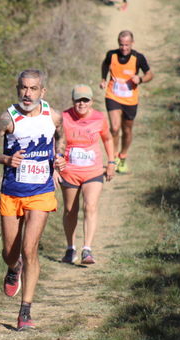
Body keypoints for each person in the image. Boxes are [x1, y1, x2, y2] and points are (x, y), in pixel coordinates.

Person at [0, 69, 66, 331]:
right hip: (11, 191)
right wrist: (7, 159)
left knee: (30, 249)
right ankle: (13, 267)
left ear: (43, 91)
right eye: (23, 88)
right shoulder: (8, 118)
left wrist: (58, 158)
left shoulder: (53, 116)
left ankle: (25, 312)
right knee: (10, 252)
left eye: (33, 88)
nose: (27, 93)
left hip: (40, 192)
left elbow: (60, 138)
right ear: (18, 88)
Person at [55, 85, 115, 265]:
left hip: (93, 171)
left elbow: (108, 138)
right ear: (72, 101)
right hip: (69, 171)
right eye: (78, 100)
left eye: (85, 100)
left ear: (91, 102)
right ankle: (70, 248)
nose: (81, 104)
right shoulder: (63, 118)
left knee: (90, 206)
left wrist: (111, 162)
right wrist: (56, 163)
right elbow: (54, 142)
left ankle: (87, 249)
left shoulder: (99, 118)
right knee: (70, 210)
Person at [99, 30, 153, 173]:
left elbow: (150, 74)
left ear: (132, 43)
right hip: (113, 96)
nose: (124, 48)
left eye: (127, 45)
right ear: (118, 43)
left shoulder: (138, 58)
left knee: (127, 130)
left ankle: (123, 156)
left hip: (130, 99)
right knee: (115, 128)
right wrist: (104, 79)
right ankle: (114, 157)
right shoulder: (112, 55)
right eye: (122, 45)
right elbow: (105, 65)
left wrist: (140, 79)